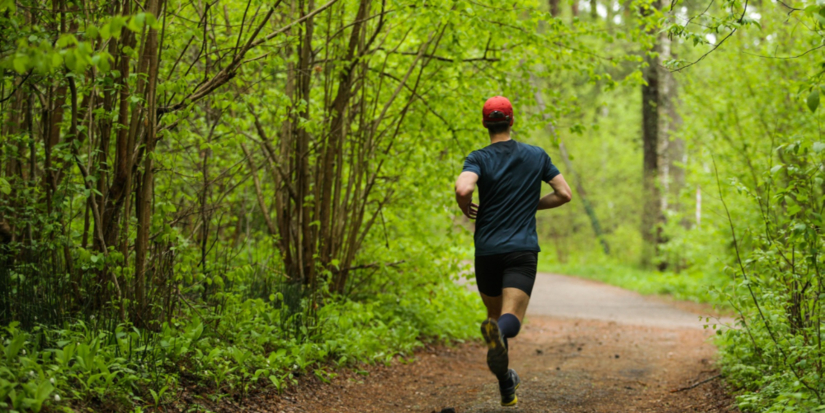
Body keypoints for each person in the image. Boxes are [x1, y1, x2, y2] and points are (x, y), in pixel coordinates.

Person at [454, 96, 572, 406]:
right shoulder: (536, 155)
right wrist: (531, 204)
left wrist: (465, 206)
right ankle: (498, 334)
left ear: (485, 124)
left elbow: (464, 188)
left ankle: (507, 385)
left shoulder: (478, 158)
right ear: (512, 121)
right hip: (521, 249)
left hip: (487, 250)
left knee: (494, 317)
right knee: (508, 321)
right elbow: (564, 193)